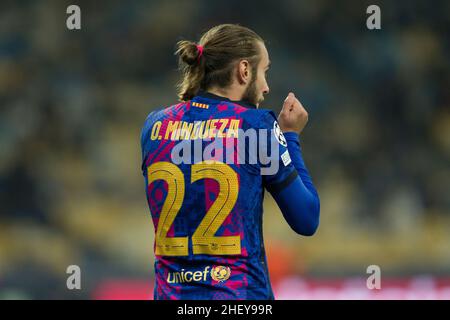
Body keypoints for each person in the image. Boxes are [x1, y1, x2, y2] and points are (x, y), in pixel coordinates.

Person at [141, 24, 320, 300]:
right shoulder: (256, 126)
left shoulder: (154, 125)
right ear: (244, 70)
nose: (266, 87)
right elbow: (307, 219)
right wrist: (290, 137)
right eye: (264, 72)